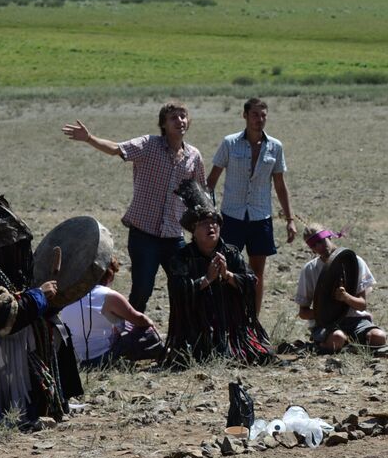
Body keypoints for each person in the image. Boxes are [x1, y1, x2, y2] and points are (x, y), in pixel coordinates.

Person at [62, 102, 206, 312]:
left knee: (184, 288)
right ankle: (128, 338)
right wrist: (89, 138)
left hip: (174, 235)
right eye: (173, 117)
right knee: (142, 290)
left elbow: (200, 196)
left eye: (183, 116)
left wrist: (203, 229)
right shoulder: (149, 145)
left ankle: (180, 339)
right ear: (163, 124)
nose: (180, 121)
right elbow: (116, 149)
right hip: (144, 235)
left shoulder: (194, 156)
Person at [0, 185, 82, 431]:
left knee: (57, 327)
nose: (26, 254)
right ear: (7, 250)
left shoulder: (12, 274)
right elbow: (3, 319)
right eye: (21, 248)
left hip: (14, 361)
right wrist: (38, 296)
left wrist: (50, 301)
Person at [163, 180, 272, 366]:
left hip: (232, 328)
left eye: (214, 223)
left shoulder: (231, 253)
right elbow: (177, 290)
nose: (211, 227)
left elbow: (251, 281)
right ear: (193, 231)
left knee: (257, 355)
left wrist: (228, 276)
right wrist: (206, 280)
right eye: (204, 224)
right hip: (196, 328)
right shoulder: (182, 257)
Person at [206, 98, 297, 314]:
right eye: (255, 115)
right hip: (232, 216)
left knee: (257, 272)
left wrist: (290, 220)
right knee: (226, 269)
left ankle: (252, 321)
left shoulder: (275, 147)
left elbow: (280, 185)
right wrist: (207, 214)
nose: (260, 120)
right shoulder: (230, 143)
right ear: (245, 116)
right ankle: (226, 318)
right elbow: (211, 180)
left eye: (263, 115)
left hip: (260, 217)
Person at [295, 225, 387, 352]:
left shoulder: (354, 262)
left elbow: (362, 305)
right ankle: (340, 346)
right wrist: (325, 313)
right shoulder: (310, 269)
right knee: (337, 338)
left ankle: (349, 346)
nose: (319, 247)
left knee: (378, 337)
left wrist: (346, 297)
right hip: (326, 324)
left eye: (321, 241)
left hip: (356, 320)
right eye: (314, 245)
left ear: (329, 236)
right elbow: (303, 313)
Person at [60, 258, 165, 366]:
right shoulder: (108, 295)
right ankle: (164, 354)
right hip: (99, 357)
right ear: (109, 275)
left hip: (74, 358)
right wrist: (151, 324)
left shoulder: (70, 293)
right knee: (146, 329)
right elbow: (140, 319)